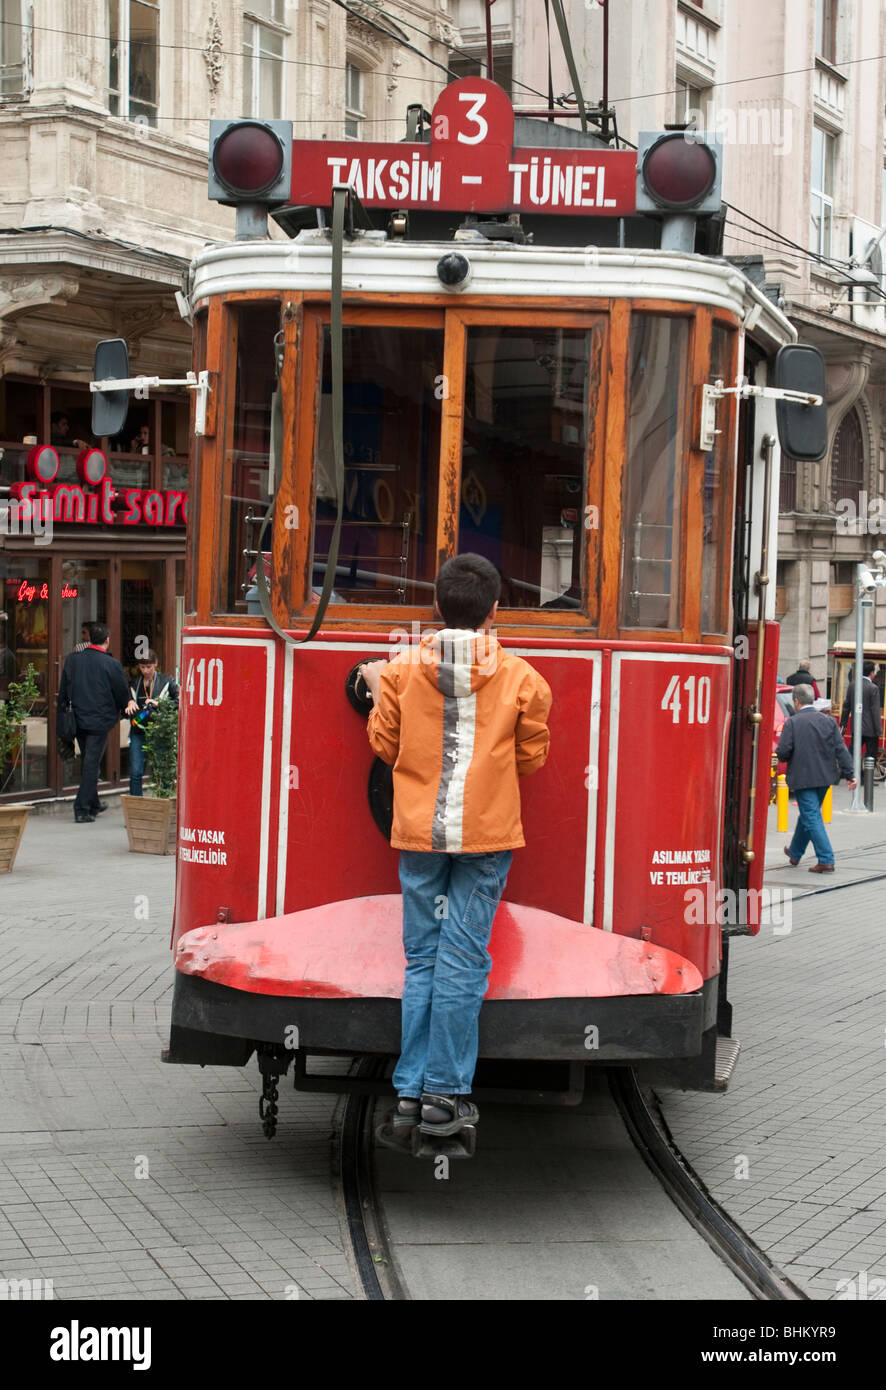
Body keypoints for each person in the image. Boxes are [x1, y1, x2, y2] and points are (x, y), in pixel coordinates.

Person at [359, 553, 552, 1142]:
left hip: (420, 835)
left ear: (437, 606)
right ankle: (444, 1092)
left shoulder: (398, 673)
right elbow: (531, 757)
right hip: (486, 838)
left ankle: (411, 1095)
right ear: (495, 610)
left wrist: (373, 686)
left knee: (422, 960)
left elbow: (386, 748)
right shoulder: (523, 679)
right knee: (464, 960)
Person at [57, 622, 137, 822]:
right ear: (107, 640)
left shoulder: (73, 660)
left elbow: (64, 689)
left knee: (89, 761)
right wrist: (126, 705)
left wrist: (62, 711)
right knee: (91, 764)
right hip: (99, 722)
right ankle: (82, 808)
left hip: (78, 719)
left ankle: (92, 803)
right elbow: (121, 692)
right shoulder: (111, 664)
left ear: (90, 639)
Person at [777, 684, 856, 873]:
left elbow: (783, 751)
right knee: (808, 814)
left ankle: (826, 858)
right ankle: (795, 852)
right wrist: (850, 774)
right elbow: (840, 749)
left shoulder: (793, 723)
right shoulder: (828, 721)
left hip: (803, 778)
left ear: (796, 701)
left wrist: (784, 756)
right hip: (825, 777)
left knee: (811, 816)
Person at [128, 648, 179, 796]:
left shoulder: (166, 681)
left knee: (162, 769)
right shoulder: (135, 683)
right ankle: (136, 806)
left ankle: (162, 800)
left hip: (159, 730)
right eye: (142, 667)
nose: (145, 670)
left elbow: (180, 701)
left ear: (155, 664)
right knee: (136, 771)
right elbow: (125, 701)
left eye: (149, 666)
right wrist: (129, 701)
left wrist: (159, 704)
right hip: (138, 730)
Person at [840, 661, 883, 766]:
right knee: (871, 756)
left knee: (853, 752)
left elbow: (846, 707)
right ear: (871, 673)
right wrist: (879, 729)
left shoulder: (852, 685)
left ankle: (847, 771)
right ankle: (867, 778)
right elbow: (875, 711)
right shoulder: (873, 688)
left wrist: (843, 724)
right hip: (871, 730)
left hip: (856, 727)